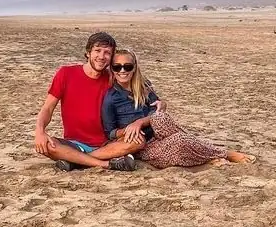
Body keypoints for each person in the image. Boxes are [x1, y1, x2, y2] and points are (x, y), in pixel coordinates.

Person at [102, 49, 254, 168]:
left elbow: (159, 109)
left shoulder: (144, 86)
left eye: (127, 66)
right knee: (180, 142)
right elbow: (110, 133)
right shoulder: (111, 98)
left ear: (134, 68)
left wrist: (141, 121)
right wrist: (130, 129)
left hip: (160, 131)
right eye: (117, 67)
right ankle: (221, 155)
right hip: (142, 144)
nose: (122, 71)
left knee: (162, 119)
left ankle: (221, 155)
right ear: (112, 69)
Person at [33, 32, 144, 171]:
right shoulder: (66, 74)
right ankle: (105, 164)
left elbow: (140, 86)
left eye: (107, 53)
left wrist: (160, 103)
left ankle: (76, 161)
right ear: (88, 53)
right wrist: (39, 131)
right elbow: (48, 108)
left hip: (108, 144)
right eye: (97, 51)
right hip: (74, 143)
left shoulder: (113, 77)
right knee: (47, 145)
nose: (102, 56)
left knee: (137, 141)